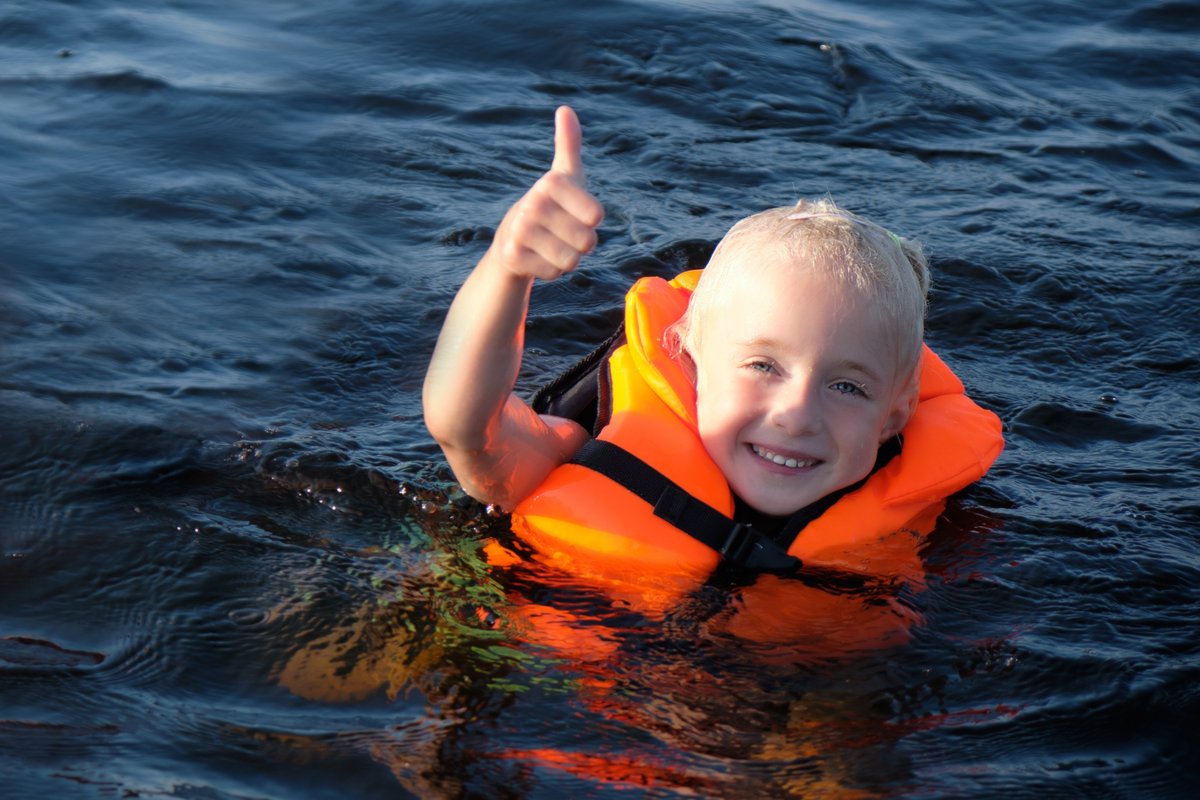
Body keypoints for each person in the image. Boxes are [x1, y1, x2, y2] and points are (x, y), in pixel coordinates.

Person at [423, 106, 1002, 599]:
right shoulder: (581, 451)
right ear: (693, 362)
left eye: (846, 386)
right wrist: (507, 270)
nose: (796, 415)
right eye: (762, 366)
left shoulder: (937, 516)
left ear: (894, 416)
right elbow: (466, 428)